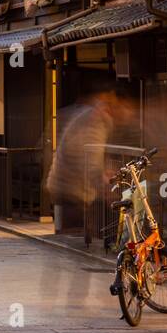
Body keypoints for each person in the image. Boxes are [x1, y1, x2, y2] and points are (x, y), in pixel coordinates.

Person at [46, 75, 116, 224]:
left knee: (70, 234)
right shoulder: (94, 119)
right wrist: (104, 187)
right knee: (77, 236)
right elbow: (91, 159)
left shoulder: (82, 114)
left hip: (66, 186)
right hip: (74, 190)